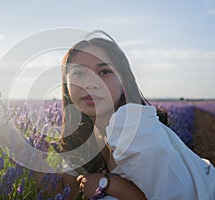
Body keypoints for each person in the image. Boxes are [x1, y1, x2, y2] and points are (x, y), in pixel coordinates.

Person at [58, 30, 215, 199]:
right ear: (67, 85)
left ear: (123, 82)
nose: (90, 84)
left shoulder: (134, 126)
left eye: (104, 71)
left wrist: (108, 184)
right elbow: (64, 193)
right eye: (79, 73)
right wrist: (28, 155)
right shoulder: (81, 138)